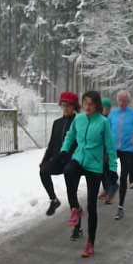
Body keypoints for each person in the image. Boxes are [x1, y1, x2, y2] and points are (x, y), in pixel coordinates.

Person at [61, 91, 118, 257]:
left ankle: (90, 243)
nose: (87, 106)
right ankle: (75, 208)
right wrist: (65, 151)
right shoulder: (78, 119)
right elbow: (70, 136)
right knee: (68, 171)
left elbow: (110, 146)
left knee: (92, 206)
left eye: (91, 103)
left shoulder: (103, 122)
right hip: (79, 158)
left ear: (97, 105)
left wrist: (113, 168)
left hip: (94, 165)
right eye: (85, 103)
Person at [39, 92, 79, 228]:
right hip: (57, 159)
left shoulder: (79, 122)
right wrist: (45, 159)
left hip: (71, 162)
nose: (66, 108)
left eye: (69, 106)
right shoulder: (57, 123)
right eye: (63, 105)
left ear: (74, 107)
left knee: (71, 192)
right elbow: (51, 144)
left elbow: (80, 144)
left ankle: (76, 224)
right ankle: (54, 199)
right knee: (43, 171)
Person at [108, 90, 133, 220]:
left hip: (128, 150)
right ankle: (113, 184)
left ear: (128, 101)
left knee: (124, 176)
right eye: (120, 100)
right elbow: (106, 130)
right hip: (113, 149)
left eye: (125, 100)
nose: (122, 102)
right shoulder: (113, 114)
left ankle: (120, 206)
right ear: (117, 100)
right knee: (106, 169)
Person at [99, 97, 119, 205]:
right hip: (100, 149)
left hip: (110, 148)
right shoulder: (99, 118)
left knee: (108, 167)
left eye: (107, 108)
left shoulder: (111, 119)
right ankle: (107, 188)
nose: (105, 110)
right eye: (103, 108)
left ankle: (112, 188)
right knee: (101, 169)